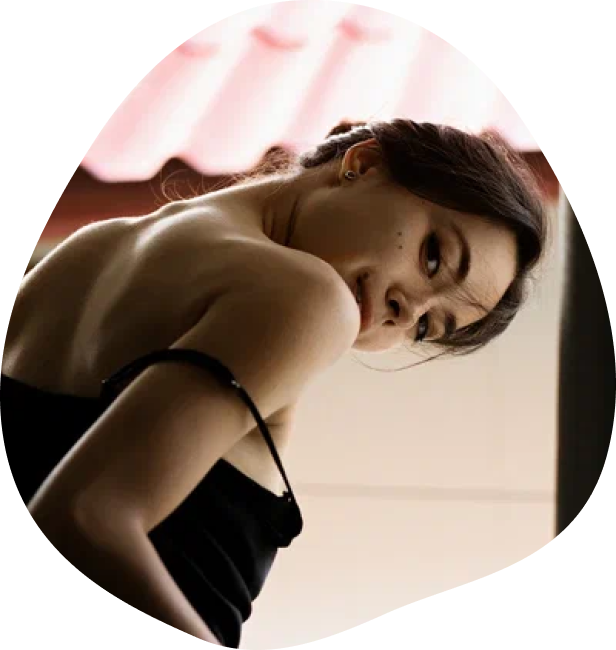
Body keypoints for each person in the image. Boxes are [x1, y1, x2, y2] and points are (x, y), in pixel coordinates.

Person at [9, 119, 547, 647]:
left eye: (427, 326)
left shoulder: (79, 255)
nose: (406, 312)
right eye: (433, 256)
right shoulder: (308, 297)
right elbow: (83, 515)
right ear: (363, 163)